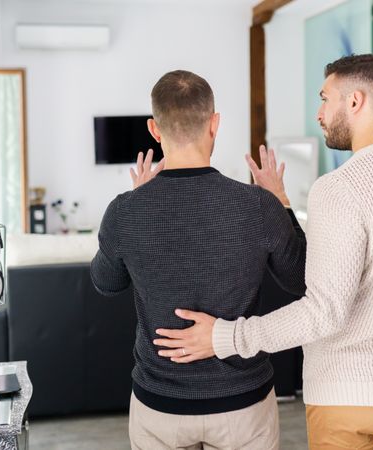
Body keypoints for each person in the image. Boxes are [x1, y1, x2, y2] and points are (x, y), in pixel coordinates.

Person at [151, 54, 373, 449]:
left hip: (344, 394)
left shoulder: (338, 188)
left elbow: (324, 311)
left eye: (325, 98)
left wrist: (228, 337)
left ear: (355, 101)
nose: (319, 113)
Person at [90, 69, 306, 450]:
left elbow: (106, 283)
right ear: (215, 123)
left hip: (160, 406)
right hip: (243, 406)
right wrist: (281, 202)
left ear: (154, 130)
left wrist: (137, 201)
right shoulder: (259, 205)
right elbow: (299, 279)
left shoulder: (124, 211)